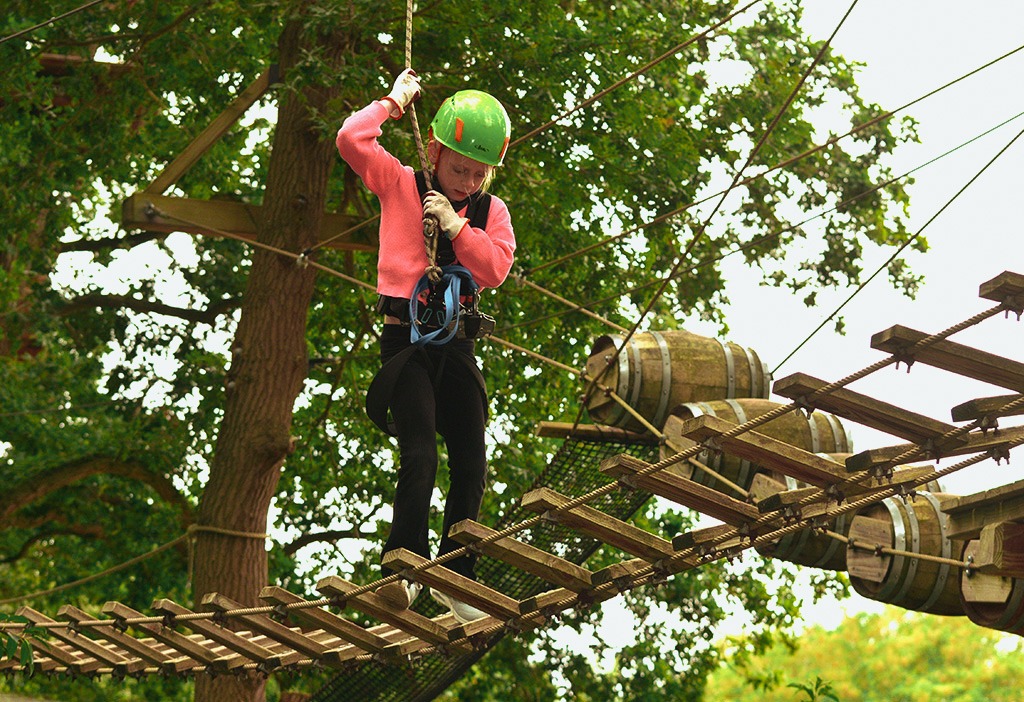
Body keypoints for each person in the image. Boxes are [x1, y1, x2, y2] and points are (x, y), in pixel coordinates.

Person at [335, 69, 515, 623]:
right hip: (406, 340)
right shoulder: (399, 183)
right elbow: (349, 140)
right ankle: (403, 568)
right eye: (459, 168)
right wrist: (393, 102)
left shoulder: (489, 213)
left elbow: (496, 268)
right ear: (435, 150)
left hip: (456, 345)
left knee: (471, 459)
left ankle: (458, 574)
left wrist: (457, 230)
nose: (466, 180)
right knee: (419, 453)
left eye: (477, 172)